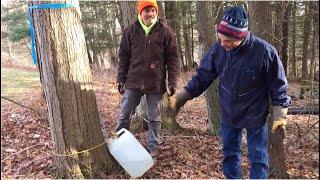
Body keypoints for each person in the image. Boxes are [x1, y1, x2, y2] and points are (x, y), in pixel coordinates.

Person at [168, 6, 291, 179]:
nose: (224, 43)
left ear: (242, 36)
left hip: (255, 114)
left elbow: (278, 85)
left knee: (259, 158)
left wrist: (280, 115)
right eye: (221, 39)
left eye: (229, 41)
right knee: (230, 154)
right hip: (229, 112)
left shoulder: (264, 52)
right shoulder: (219, 50)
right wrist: (180, 98)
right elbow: (202, 77)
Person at [116, 0, 179, 158]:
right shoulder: (130, 31)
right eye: (146, 11)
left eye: (152, 10)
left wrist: (172, 82)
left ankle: (153, 146)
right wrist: (121, 79)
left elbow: (173, 59)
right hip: (133, 80)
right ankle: (122, 142)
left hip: (155, 82)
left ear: (157, 12)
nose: (150, 14)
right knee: (124, 114)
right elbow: (123, 57)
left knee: (154, 117)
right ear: (140, 12)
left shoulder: (166, 32)